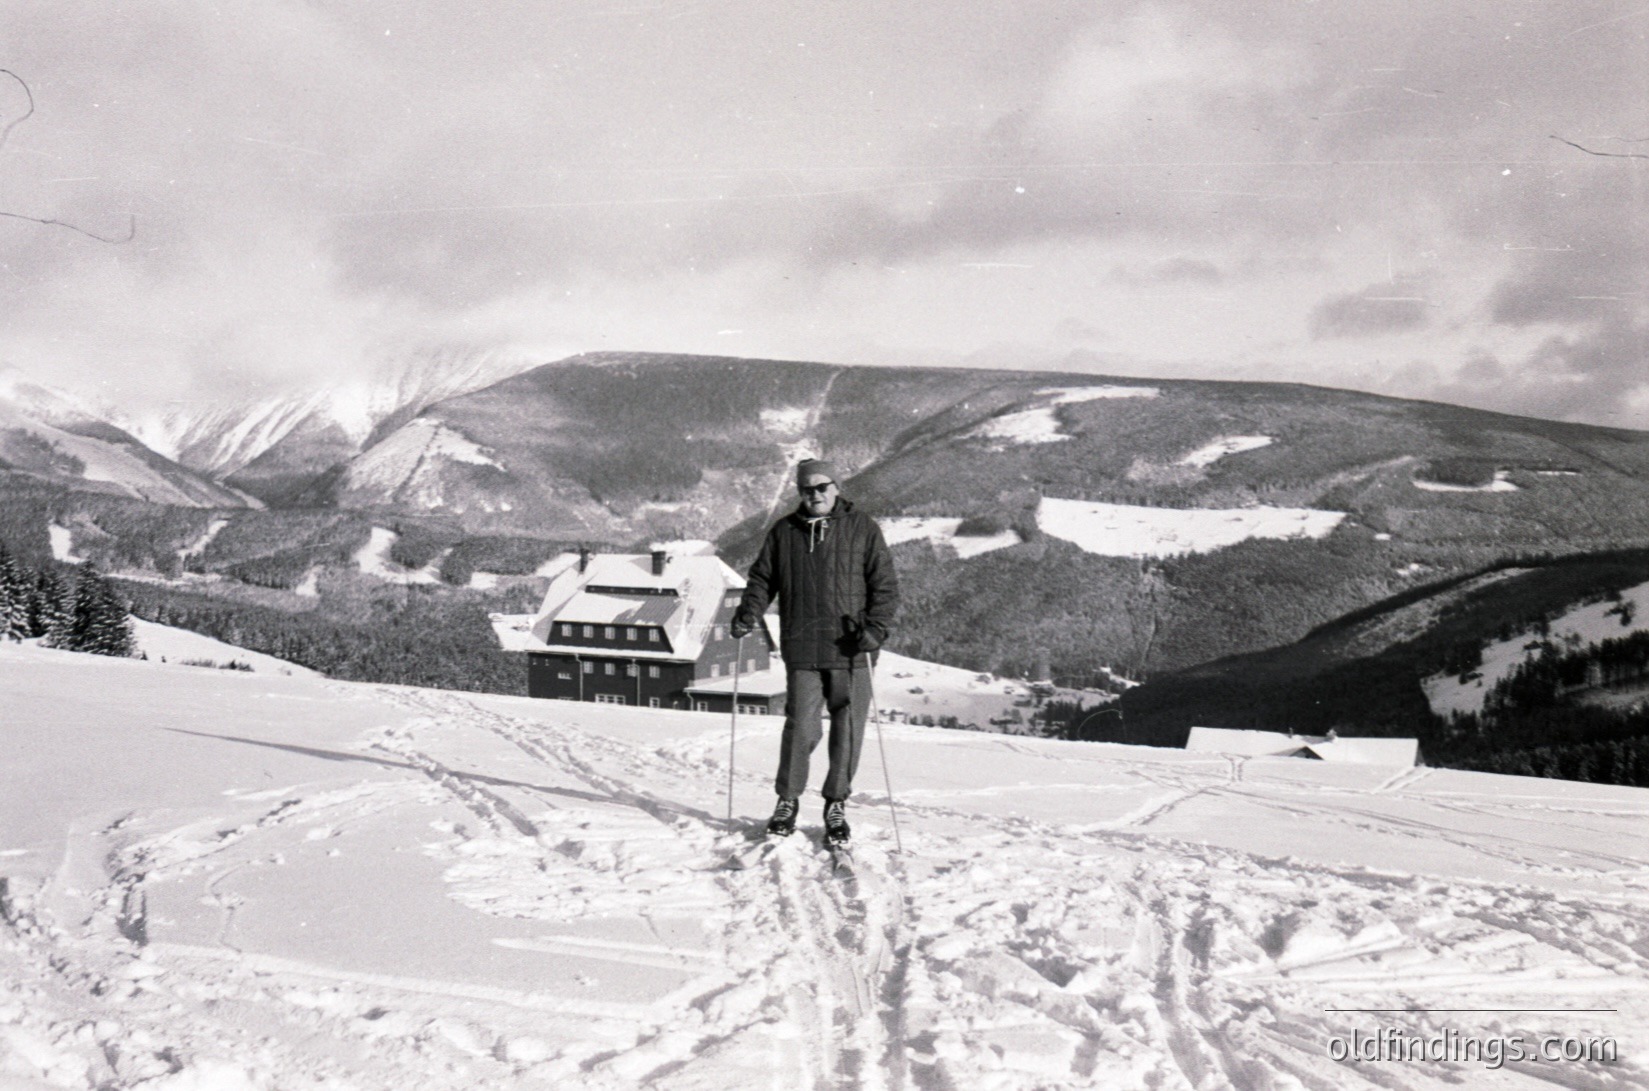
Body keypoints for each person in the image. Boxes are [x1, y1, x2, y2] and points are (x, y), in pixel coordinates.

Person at [731, 458, 899, 845]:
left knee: (848, 729)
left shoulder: (863, 529)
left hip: (853, 649)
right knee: (800, 726)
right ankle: (787, 801)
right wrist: (748, 612)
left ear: (837, 487)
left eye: (822, 487)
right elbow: (762, 579)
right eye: (807, 489)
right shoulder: (783, 532)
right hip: (803, 646)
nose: (815, 494)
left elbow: (885, 586)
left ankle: (835, 803)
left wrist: (876, 629)